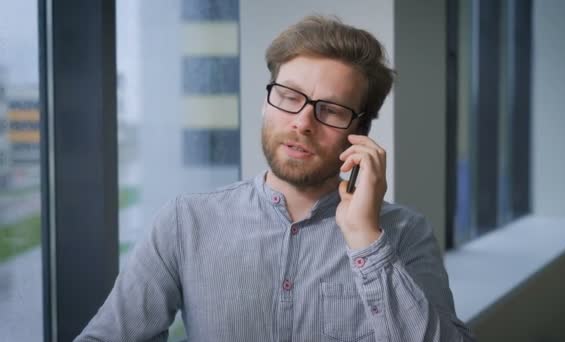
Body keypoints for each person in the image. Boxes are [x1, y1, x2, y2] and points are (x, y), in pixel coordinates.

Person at [76, 15, 474, 342]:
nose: (302, 122)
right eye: (288, 96)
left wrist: (366, 241)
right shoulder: (185, 222)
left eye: (331, 109)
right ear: (268, 102)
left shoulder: (404, 233)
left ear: (361, 131)